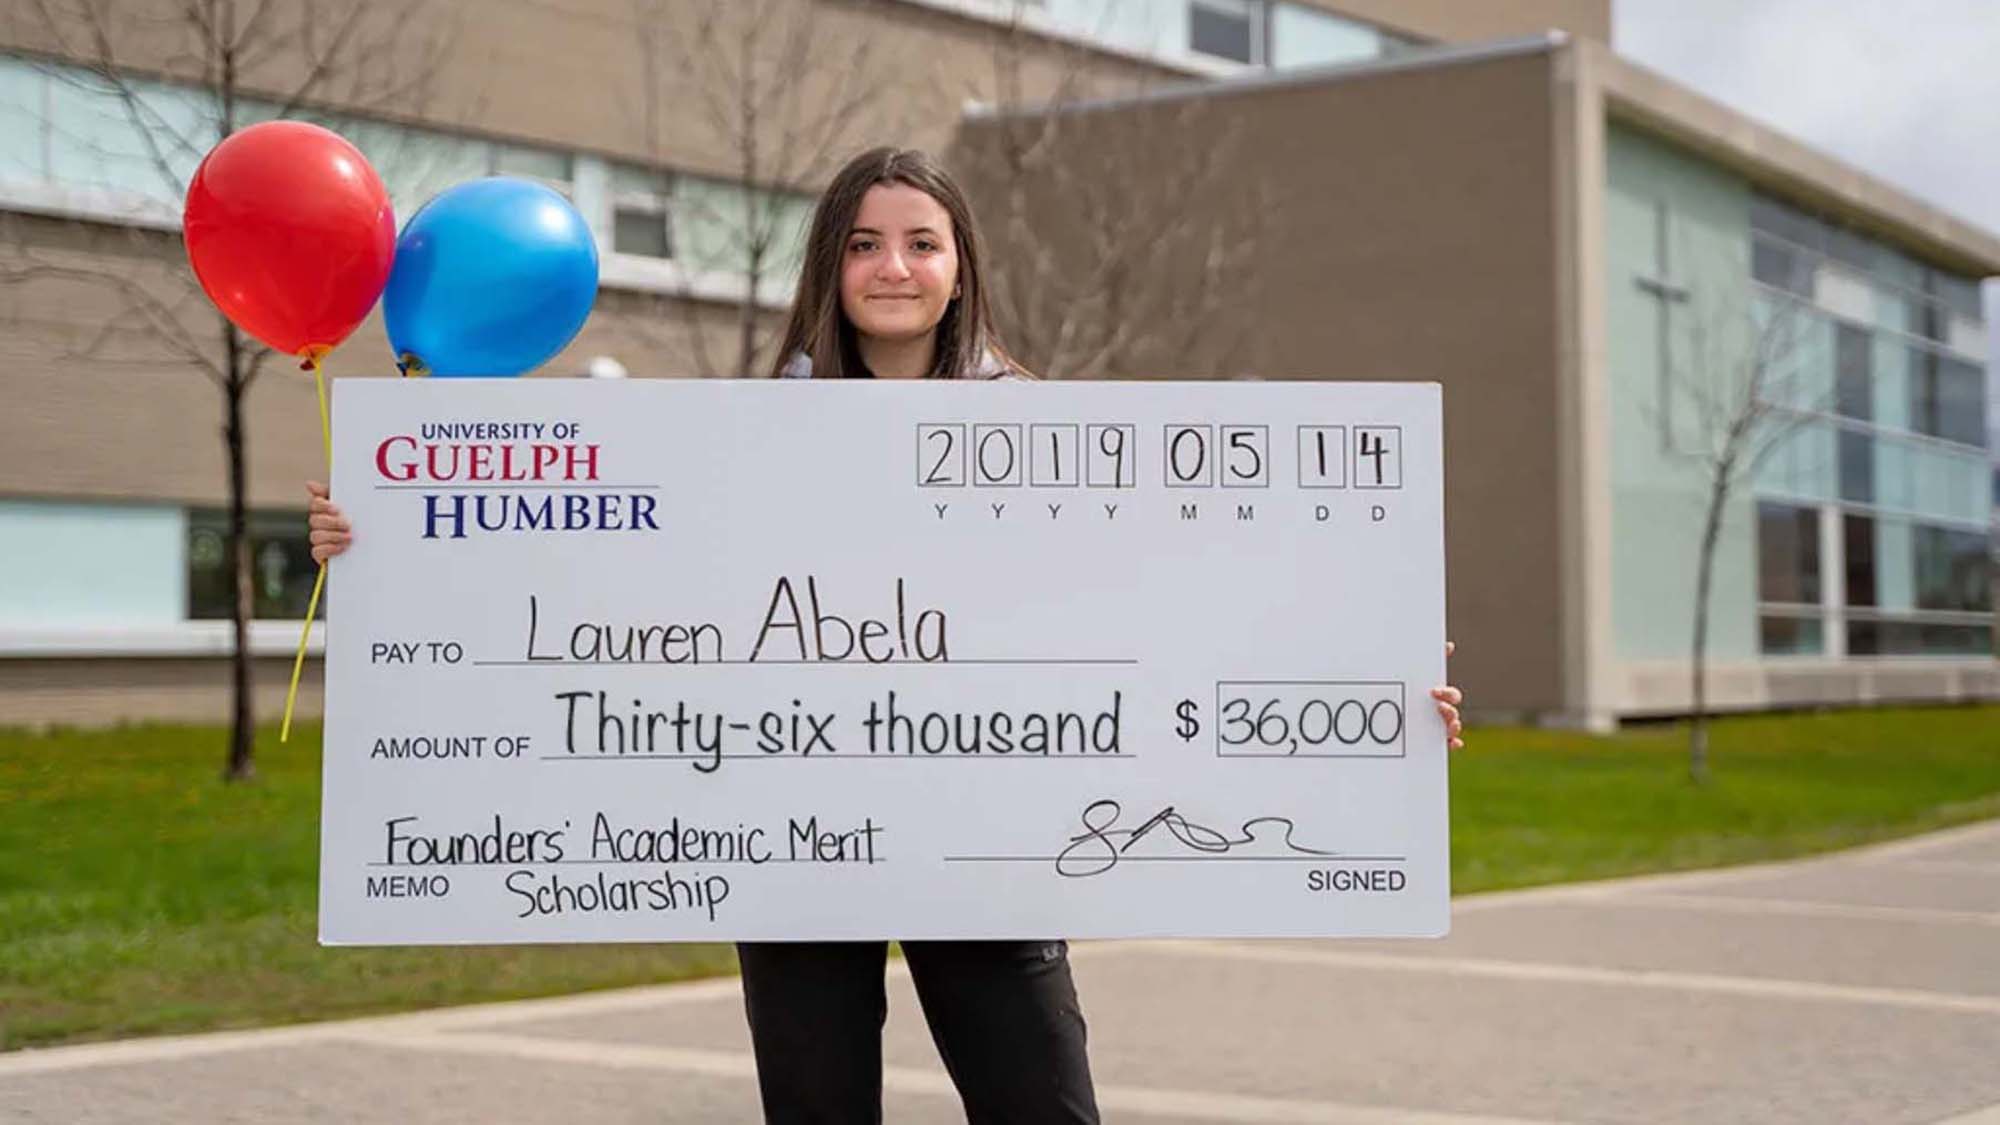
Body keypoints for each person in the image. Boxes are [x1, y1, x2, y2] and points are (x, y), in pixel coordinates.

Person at [307, 146, 1466, 1123]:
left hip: (989, 837)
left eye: (921, 241)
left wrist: (1371, 682)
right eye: (863, 243)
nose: (893, 267)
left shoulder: (1053, 438)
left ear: (960, 269)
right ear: (831, 265)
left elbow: (1181, 609)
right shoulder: (740, 438)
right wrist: (393, 543)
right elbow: (586, 576)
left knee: (1042, 1107)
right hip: (791, 837)